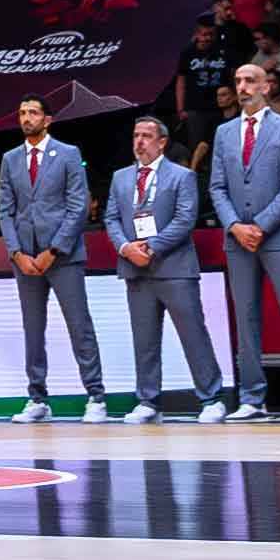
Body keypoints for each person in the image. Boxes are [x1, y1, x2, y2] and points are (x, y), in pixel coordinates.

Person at [210, 59, 280, 416]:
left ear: (266, 87)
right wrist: (235, 225)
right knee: (246, 319)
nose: (242, 87)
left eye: (249, 80)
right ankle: (251, 399)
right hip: (238, 239)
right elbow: (217, 187)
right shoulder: (224, 132)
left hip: (278, 236)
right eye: (238, 80)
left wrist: (259, 225)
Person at [0, 96, 107, 422]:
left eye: (33, 112)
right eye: (22, 113)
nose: (26, 118)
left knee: (79, 325)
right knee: (33, 330)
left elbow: (78, 206)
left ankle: (96, 396)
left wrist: (54, 250)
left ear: (47, 120)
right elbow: (5, 209)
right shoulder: (10, 159)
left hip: (63, 256)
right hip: (26, 258)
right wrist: (16, 252)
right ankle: (37, 399)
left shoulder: (68, 153)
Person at [105, 116, 224, 421]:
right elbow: (111, 219)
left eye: (146, 136)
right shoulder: (120, 177)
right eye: (136, 135)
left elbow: (185, 219)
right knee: (144, 339)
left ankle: (211, 398)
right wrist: (126, 248)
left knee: (193, 334)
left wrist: (152, 247)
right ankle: (148, 401)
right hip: (136, 268)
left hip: (174, 268)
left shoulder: (182, 176)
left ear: (162, 142)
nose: (139, 141)